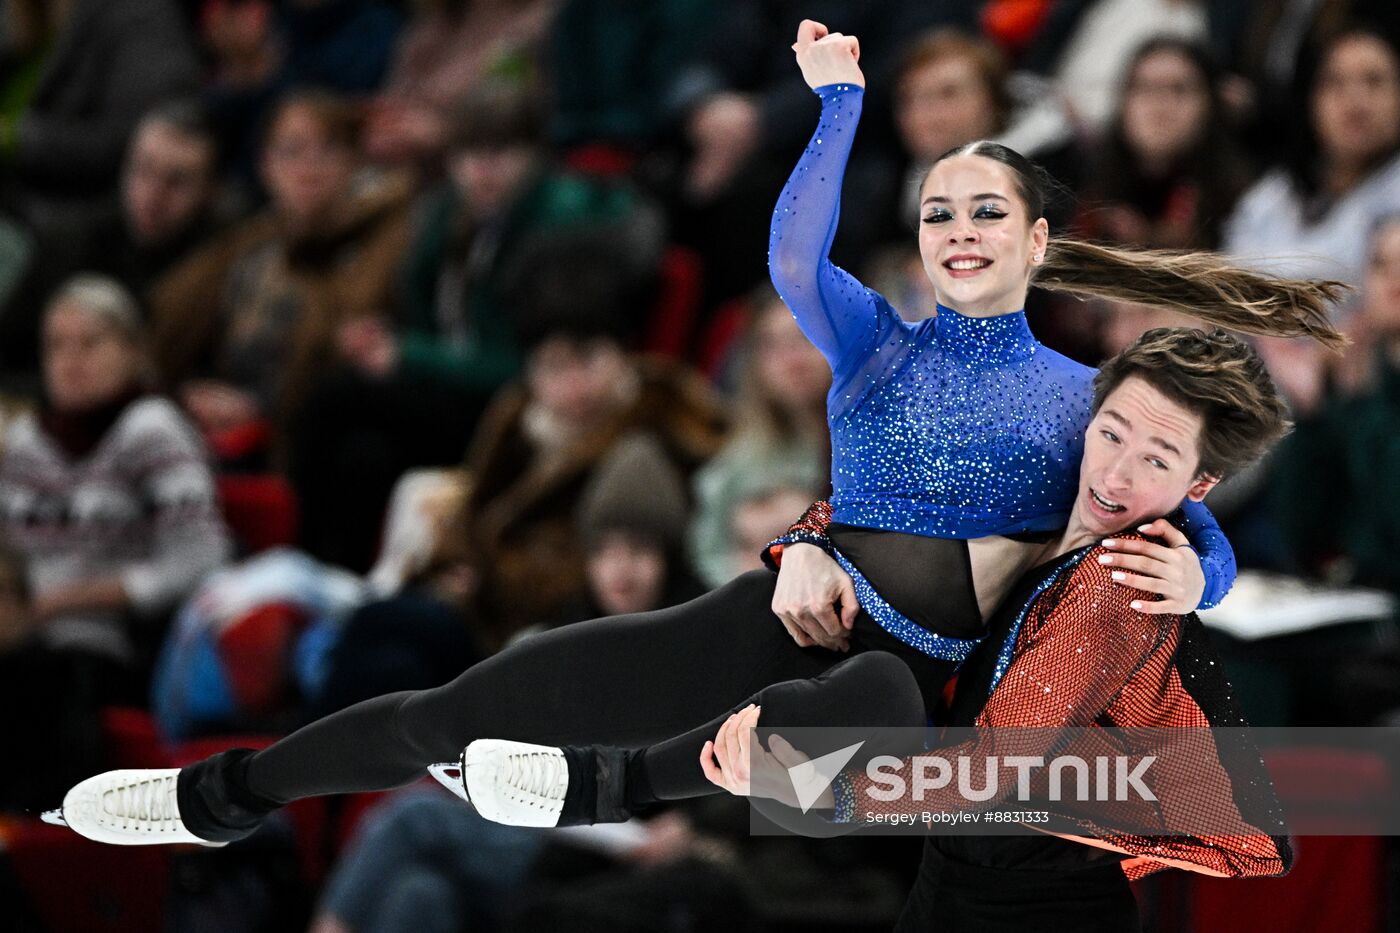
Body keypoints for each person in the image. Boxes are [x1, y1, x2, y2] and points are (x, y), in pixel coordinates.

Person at [47, 19, 1342, 849]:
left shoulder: (1083, 397)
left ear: (1039, 240)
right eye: (939, 208)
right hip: (783, 608)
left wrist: (1205, 572)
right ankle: (225, 797)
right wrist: (835, 108)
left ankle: (615, 786)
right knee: (474, 702)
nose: (957, 230)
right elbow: (792, 248)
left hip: (930, 692)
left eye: (987, 214)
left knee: (850, 705)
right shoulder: (872, 337)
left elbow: (1184, 513)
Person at [697, 329, 1294, 932]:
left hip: (1035, 906)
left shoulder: (1119, 585)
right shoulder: (1042, 489)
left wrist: (817, 789)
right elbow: (895, 499)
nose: (1114, 476)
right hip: (955, 872)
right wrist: (808, 541)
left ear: (1199, 486)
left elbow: (993, 769)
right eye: (1111, 434)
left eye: (1156, 460)